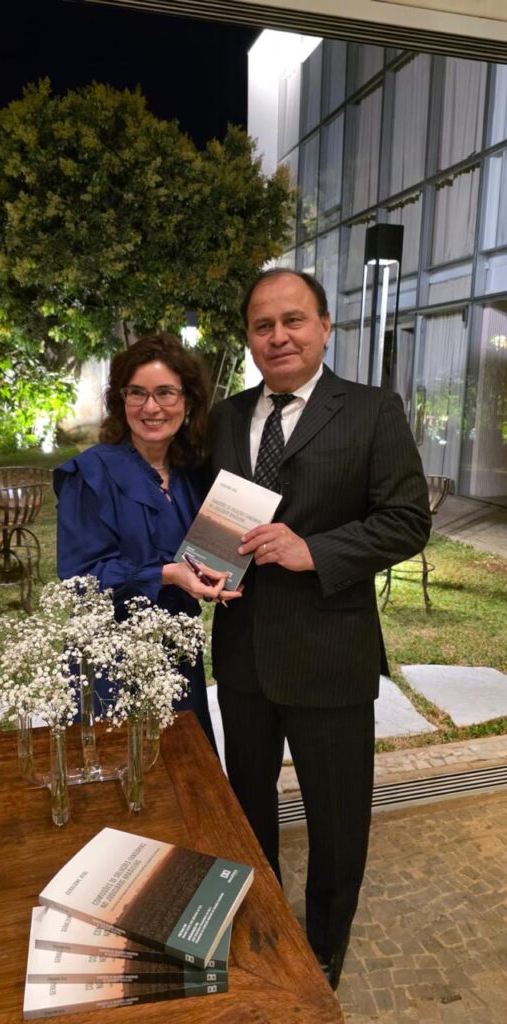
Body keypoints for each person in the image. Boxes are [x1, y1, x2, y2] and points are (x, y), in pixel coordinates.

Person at [208, 269, 431, 988]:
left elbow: (406, 520)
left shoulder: (369, 410)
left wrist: (316, 551)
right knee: (246, 810)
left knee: (337, 825)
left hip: (330, 654)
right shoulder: (225, 416)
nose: (278, 336)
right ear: (248, 337)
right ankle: (263, 926)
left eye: (293, 320)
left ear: (326, 327)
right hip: (242, 655)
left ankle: (324, 949)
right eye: (262, 325)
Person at [53, 333, 236, 748]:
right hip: (109, 658)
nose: (151, 407)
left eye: (165, 393)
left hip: (177, 654)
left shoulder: (192, 475)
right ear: (122, 401)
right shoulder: (91, 474)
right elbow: (80, 578)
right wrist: (166, 574)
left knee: (182, 777)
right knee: (118, 780)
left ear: (188, 402)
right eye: (137, 393)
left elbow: (204, 553)